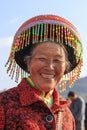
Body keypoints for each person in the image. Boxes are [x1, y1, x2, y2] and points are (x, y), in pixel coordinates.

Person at [0, 15, 83, 130]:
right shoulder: (4, 104)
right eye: (42, 59)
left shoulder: (66, 114)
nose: (49, 67)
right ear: (28, 63)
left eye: (57, 60)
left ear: (65, 67)